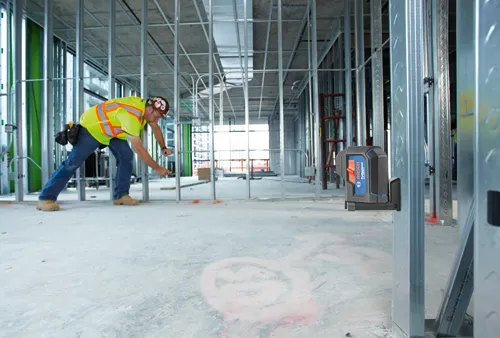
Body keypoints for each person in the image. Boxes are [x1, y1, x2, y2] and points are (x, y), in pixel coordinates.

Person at [36, 95, 172, 212]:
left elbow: (155, 127)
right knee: (73, 162)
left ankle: (121, 196)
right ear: (149, 109)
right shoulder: (132, 115)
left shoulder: (145, 108)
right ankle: (46, 198)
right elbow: (139, 149)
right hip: (93, 128)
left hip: (111, 131)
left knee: (126, 156)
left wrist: (163, 147)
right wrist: (157, 168)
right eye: (157, 116)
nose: (156, 120)